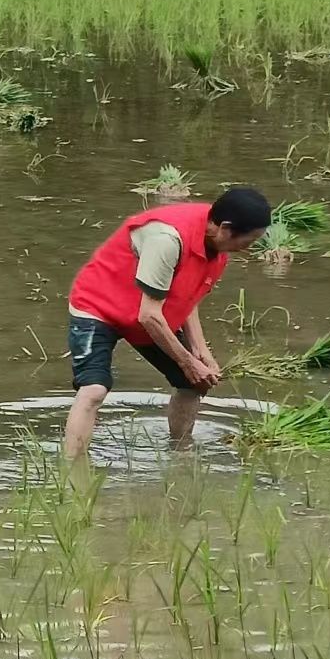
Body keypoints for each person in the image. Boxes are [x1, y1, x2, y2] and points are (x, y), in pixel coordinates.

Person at [63, 188, 272, 459]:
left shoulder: (216, 245)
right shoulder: (169, 239)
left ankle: (180, 452)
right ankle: (72, 469)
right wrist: (187, 361)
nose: (250, 247)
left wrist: (200, 350)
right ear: (226, 228)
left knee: (192, 383)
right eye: (249, 239)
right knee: (94, 389)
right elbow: (149, 316)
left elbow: (187, 295)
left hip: (149, 312)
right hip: (99, 306)